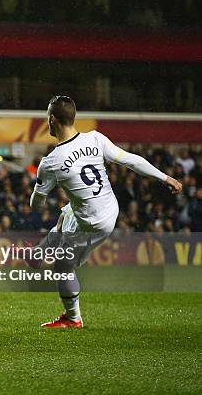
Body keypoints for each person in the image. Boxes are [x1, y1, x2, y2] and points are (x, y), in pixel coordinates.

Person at [29, 96, 182, 328]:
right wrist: (165, 177)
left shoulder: (51, 162)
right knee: (64, 216)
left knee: (62, 266)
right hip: (109, 208)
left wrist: (38, 194)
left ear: (52, 119)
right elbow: (131, 160)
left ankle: (73, 318)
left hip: (92, 221)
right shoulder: (95, 138)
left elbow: (36, 205)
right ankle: (37, 255)